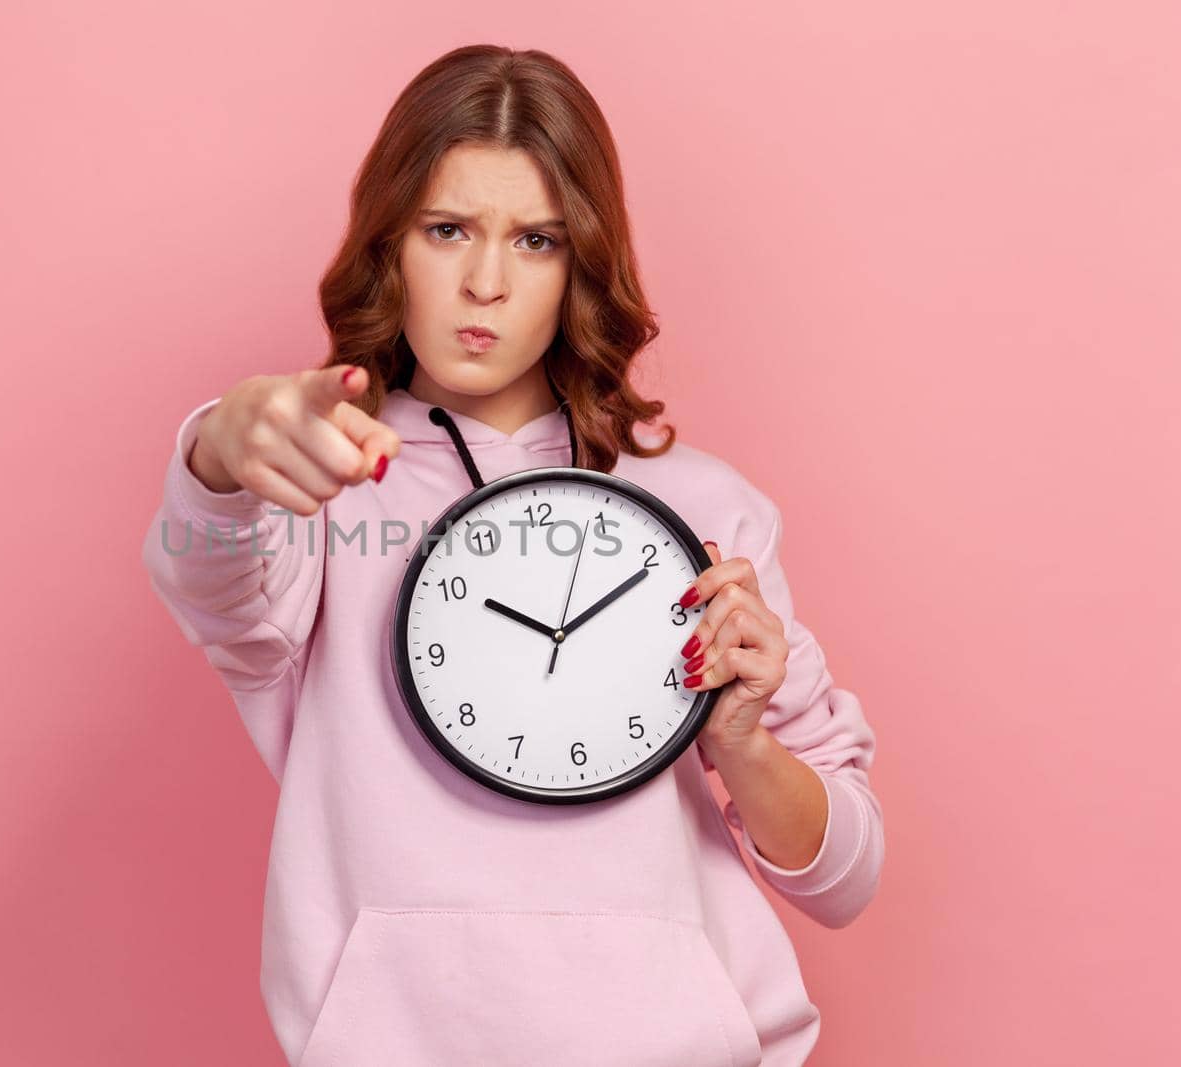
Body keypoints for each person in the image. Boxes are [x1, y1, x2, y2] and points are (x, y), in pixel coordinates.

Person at [140, 44, 883, 1067]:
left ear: (581, 261)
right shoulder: (321, 485)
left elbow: (844, 880)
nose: (484, 283)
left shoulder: (704, 508)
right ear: (390, 242)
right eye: (448, 230)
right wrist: (222, 443)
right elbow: (207, 572)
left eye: (534, 240)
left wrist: (746, 746)